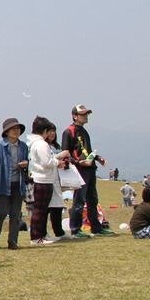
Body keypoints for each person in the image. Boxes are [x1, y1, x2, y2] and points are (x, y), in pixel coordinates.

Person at [61, 104, 113, 237]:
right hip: (79, 170)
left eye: (86, 114)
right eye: (82, 114)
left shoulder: (83, 131)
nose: (85, 116)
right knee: (79, 200)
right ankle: (75, 229)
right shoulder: (68, 131)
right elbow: (65, 154)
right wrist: (79, 162)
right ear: (74, 116)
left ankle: (96, 227)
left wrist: (98, 158)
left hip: (90, 169)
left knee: (93, 200)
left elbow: (87, 151)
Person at [0, 118, 30, 250]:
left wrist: (25, 164)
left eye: (18, 128)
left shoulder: (23, 147)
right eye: (13, 129)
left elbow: (28, 165)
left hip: (18, 183)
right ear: (6, 131)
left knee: (16, 214)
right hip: (3, 184)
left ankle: (13, 241)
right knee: (2, 212)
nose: (16, 131)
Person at [27, 117, 71, 245]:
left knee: (41, 210)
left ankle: (41, 235)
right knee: (40, 210)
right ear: (45, 131)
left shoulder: (36, 143)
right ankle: (37, 236)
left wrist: (56, 159)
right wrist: (58, 162)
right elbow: (47, 162)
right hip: (43, 179)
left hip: (43, 178)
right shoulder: (41, 144)